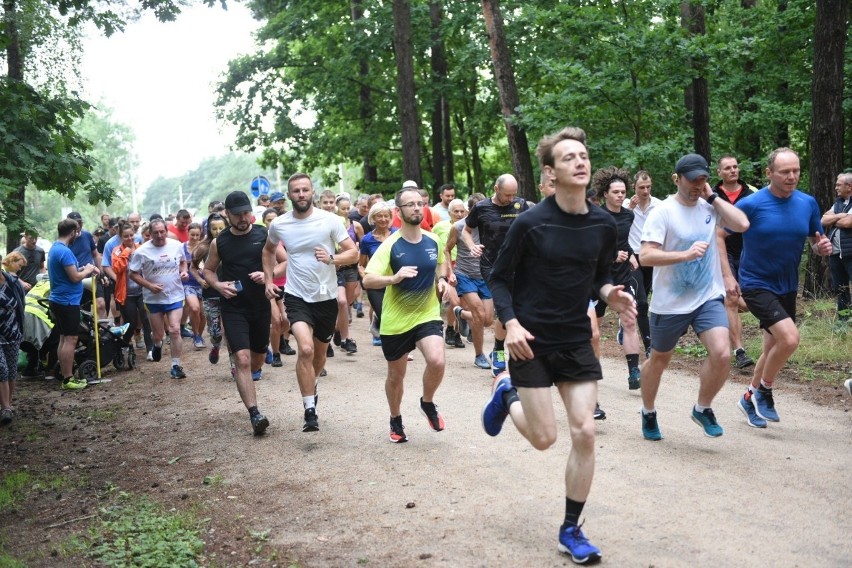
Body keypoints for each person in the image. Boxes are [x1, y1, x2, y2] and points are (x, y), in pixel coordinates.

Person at [480, 126, 636, 564]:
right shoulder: (532, 222)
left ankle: (571, 528)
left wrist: (611, 295)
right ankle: (505, 391)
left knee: (585, 431)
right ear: (551, 172)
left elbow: (598, 277)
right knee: (545, 439)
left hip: (573, 338)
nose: (580, 162)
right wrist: (508, 324)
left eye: (583, 155)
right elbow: (498, 277)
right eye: (569, 158)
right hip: (529, 339)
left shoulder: (604, 224)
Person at [638, 153, 750, 440]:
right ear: (677, 179)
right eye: (693, 179)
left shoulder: (708, 207)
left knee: (723, 352)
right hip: (670, 302)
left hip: (706, 297)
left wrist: (713, 198)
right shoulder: (662, 212)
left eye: (703, 178)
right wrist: (684, 255)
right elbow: (646, 256)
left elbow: (742, 224)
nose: (698, 184)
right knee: (659, 360)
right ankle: (648, 411)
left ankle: (703, 407)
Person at [732, 148, 832, 428]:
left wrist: (821, 247)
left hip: (787, 285)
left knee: (772, 347)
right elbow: (719, 233)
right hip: (755, 283)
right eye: (785, 171)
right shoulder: (750, 205)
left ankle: (748, 397)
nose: (792, 176)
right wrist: (727, 277)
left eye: (796, 171)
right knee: (789, 339)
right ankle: (765, 389)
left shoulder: (807, 203)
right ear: (769, 173)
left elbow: (815, 239)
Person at [263, 173, 358, 432]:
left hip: (325, 296)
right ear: (289, 195)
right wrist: (269, 280)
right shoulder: (279, 224)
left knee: (318, 354)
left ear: (312, 192)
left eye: (305, 190)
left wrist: (331, 259)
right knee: (304, 349)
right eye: (296, 191)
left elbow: (353, 252)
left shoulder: (330, 220)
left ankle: (312, 384)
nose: (301, 195)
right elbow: (269, 251)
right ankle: (309, 410)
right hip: (296, 295)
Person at [363, 187, 450, 443]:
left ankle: (427, 402)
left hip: (426, 314)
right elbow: (368, 280)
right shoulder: (391, 245)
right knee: (396, 376)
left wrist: (442, 280)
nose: (416, 208)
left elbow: (441, 261)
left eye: (419, 203)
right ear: (398, 211)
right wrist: (394, 277)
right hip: (396, 321)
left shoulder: (432, 239)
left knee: (437, 360)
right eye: (409, 204)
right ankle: (395, 418)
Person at [203, 191, 274, 435]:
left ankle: (253, 370)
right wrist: (218, 285)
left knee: (256, 359)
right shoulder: (218, 242)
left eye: (246, 212)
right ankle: (255, 414)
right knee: (242, 360)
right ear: (228, 215)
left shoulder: (264, 234)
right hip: (233, 307)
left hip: (261, 306)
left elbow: (285, 261)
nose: (243, 218)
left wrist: (268, 276)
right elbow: (209, 271)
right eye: (238, 214)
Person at [462, 173, 530, 376]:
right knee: (504, 308)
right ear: (496, 189)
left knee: (518, 310)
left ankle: (508, 350)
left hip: (519, 266)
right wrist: (472, 246)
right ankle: (499, 352)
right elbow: (466, 230)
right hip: (492, 267)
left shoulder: (521, 205)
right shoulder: (482, 207)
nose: (510, 199)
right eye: (507, 195)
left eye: (513, 195)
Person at [591, 166, 643, 390]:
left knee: (630, 319)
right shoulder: (593, 216)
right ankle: (589, 367)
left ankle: (634, 371)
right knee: (594, 329)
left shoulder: (628, 216)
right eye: (616, 192)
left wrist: (631, 254)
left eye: (623, 191)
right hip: (597, 280)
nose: (621, 195)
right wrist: (612, 256)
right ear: (605, 193)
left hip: (622, 277)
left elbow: (624, 241)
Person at [128, 219, 188, 379]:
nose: (160, 235)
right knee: (158, 335)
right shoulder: (142, 251)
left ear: (166, 231)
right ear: (150, 234)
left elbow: (183, 262)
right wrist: (149, 286)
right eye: (156, 233)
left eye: (162, 232)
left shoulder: (176, 245)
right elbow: (132, 274)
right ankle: (156, 345)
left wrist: (183, 272)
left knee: (175, 329)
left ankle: (175, 366)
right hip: (153, 299)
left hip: (175, 295)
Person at [713, 155, 756, 368]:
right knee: (731, 298)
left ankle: (720, 308)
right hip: (720, 252)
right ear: (719, 172)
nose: (733, 170)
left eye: (735, 167)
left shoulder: (752, 193)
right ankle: (739, 350)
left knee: (746, 304)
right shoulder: (710, 195)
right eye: (727, 168)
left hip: (749, 251)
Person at [48, 218, 99, 391]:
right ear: (73, 232)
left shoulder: (55, 248)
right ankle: (68, 378)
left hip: (59, 299)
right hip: (67, 301)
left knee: (64, 338)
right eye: (77, 232)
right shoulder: (65, 251)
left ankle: (64, 374)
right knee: (71, 339)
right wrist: (89, 270)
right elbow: (75, 277)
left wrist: (85, 268)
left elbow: (71, 272)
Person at [445, 193, 492, 368]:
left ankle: (460, 313)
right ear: (470, 211)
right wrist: (450, 272)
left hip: (484, 276)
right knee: (479, 314)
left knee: (487, 320)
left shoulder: (489, 225)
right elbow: (447, 250)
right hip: (465, 274)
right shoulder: (458, 227)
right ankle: (479, 355)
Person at [190, 213, 236, 375]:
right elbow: (193, 267)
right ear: (208, 230)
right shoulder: (203, 247)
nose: (217, 231)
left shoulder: (233, 243)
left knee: (230, 332)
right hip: (211, 295)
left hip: (230, 293)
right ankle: (215, 346)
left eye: (220, 228)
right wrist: (200, 280)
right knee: (215, 332)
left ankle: (234, 366)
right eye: (214, 228)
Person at [625, 170, 659, 358]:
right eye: (641, 188)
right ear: (634, 187)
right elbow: (616, 226)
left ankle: (626, 323)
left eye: (648, 187)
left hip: (653, 257)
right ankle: (648, 344)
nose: (645, 191)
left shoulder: (659, 206)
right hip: (634, 259)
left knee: (653, 301)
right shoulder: (625, 206)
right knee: (642, 302)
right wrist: (629, 208)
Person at [111, 223, 154, 357]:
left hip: (142, 291)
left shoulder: (141, 248)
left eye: (131, 235)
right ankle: (123, 345)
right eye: (126, 236)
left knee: (146, 319)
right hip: (126, 294)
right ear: (120, 237)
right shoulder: (117, 251)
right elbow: (117, 269)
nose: (129, 238)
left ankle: (150, 349)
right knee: (131, 324)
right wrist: (126, 252)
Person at [359, 200, 396, 347]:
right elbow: (361, 264)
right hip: (375, 283)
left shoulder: (398, 234)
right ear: (373, 218)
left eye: (386, 216)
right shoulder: (367, 239)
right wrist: (365, 277)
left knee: (394, 315)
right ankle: (379, 322)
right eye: (379, 216)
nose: (383, 219)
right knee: (384, 314)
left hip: (395, 281)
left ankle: (396, 345)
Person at [260, 208, 294, 365]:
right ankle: (276, 354)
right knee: (275, 319)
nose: (272, 222)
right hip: (267, 287)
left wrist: (274, 272)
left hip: (284, 284)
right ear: (264, 221)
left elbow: (287, 261)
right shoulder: (260, 239)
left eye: (274, 219)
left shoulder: (281, 240)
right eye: (268, 220)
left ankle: (273, 340)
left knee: (286, 319)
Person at [820, 172, 852, 327]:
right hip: (836, 253)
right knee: (840, 288)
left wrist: (835, 219)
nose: (836, 187)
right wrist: (840, 215)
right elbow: (823, 220)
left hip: (850, 252)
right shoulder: (839, 203)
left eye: (839, 184)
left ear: (849, 186)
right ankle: (843, 322)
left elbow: (848, 223)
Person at [332, 194, 362, 354]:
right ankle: (346, 339)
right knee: (342, 303)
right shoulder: (331, 223)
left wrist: (360, 262)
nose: (345, 211)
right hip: (336, 269)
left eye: (347, 208)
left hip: (351, 268)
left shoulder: (356, 226)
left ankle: (337, 329)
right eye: (342, 208)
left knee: (347, 303)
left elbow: (362, 246)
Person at [0, 253, 26, 425]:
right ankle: (5, 407)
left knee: (11, 369)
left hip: (13, 331)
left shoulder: (13, 282)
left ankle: (8, 404)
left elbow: (21, 305)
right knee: (1, 368)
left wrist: (21, 327)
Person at [66, 212, 105, 319]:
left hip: (92, 275)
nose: (78, 226)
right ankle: (87, 333)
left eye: (80, 222)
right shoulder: (65, 241)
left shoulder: (87, 235)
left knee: (101, 304)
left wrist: (101, 273)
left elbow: (96, 254)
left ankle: (104, 333)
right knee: (83, 310)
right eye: (75, 223)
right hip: (77, 278)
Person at [182, 223, 207, 349]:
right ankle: (196, 335)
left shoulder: (203, 247)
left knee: (203, 314)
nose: (195, 237)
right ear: (188, 233)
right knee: (194, 308)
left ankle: (199, 335)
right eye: (192, 235)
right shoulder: (181, 248)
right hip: (188, 284)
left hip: (204, 284)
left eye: (197, 235)